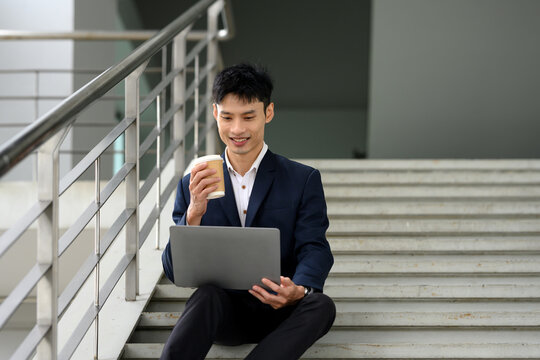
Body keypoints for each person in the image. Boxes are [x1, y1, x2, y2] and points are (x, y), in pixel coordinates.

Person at [160, 63, 335, 360]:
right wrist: (193, 216)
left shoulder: (302, 179)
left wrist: (299, 289)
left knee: (321, 305)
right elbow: (174, 270)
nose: (237, 129)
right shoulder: (194, 183)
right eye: (227, 117)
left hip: (280, 310)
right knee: (205, 296)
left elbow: (314, 247)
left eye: (248, 117)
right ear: (215, 114)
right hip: (222, 313)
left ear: (268, 113)